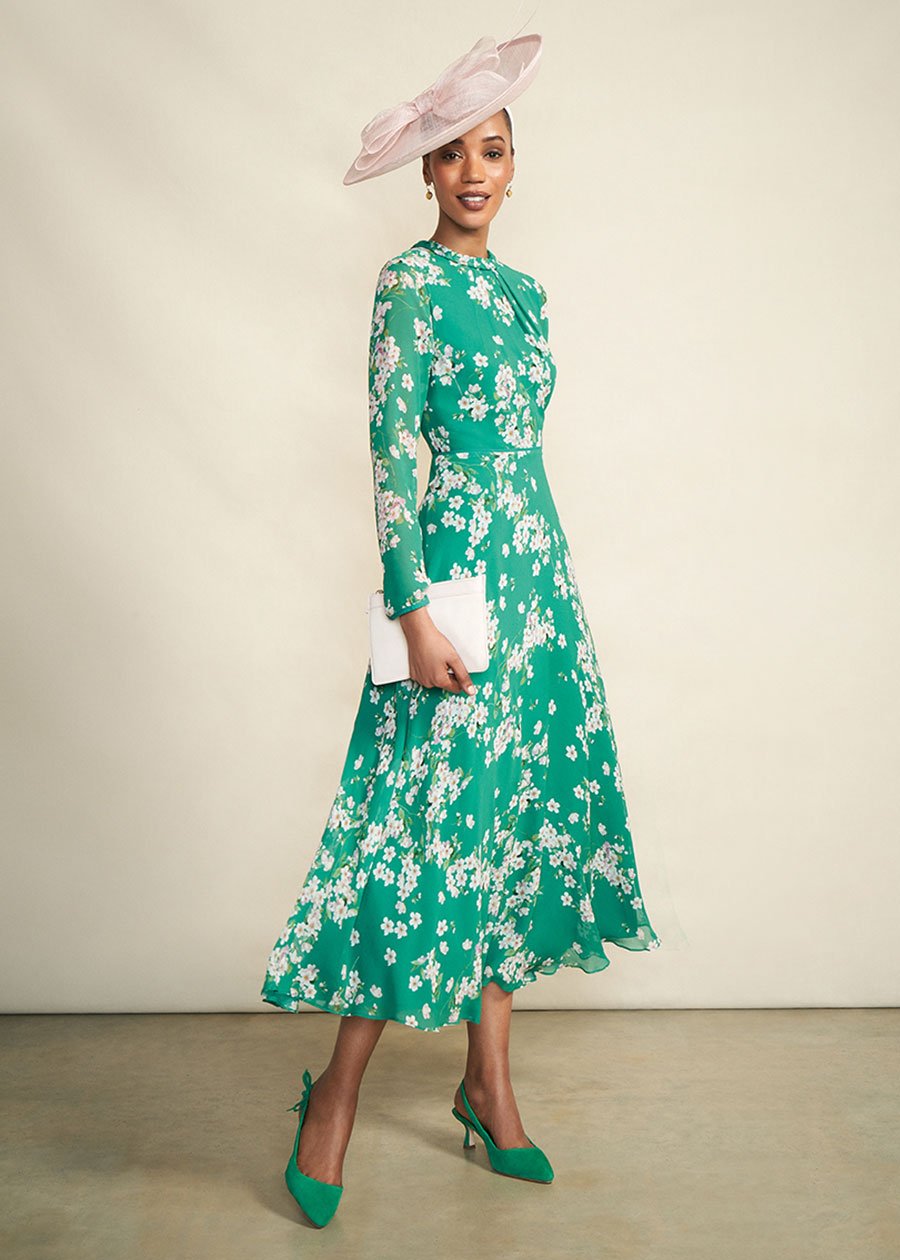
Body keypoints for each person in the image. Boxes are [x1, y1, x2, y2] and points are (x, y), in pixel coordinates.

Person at [260, 32, 662, 1227]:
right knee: (418, 833)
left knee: (513, 832)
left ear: (512, 164)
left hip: (540, 589)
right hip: (454, 592)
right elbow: (392, 452)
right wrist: (410, 604)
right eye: (451, 155)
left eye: (492, 150)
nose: (474, 171)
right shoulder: (410, 286)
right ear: (426, 176)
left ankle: (489, 1086)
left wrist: (548, 604)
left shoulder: (525, 295)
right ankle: (332, 1099)